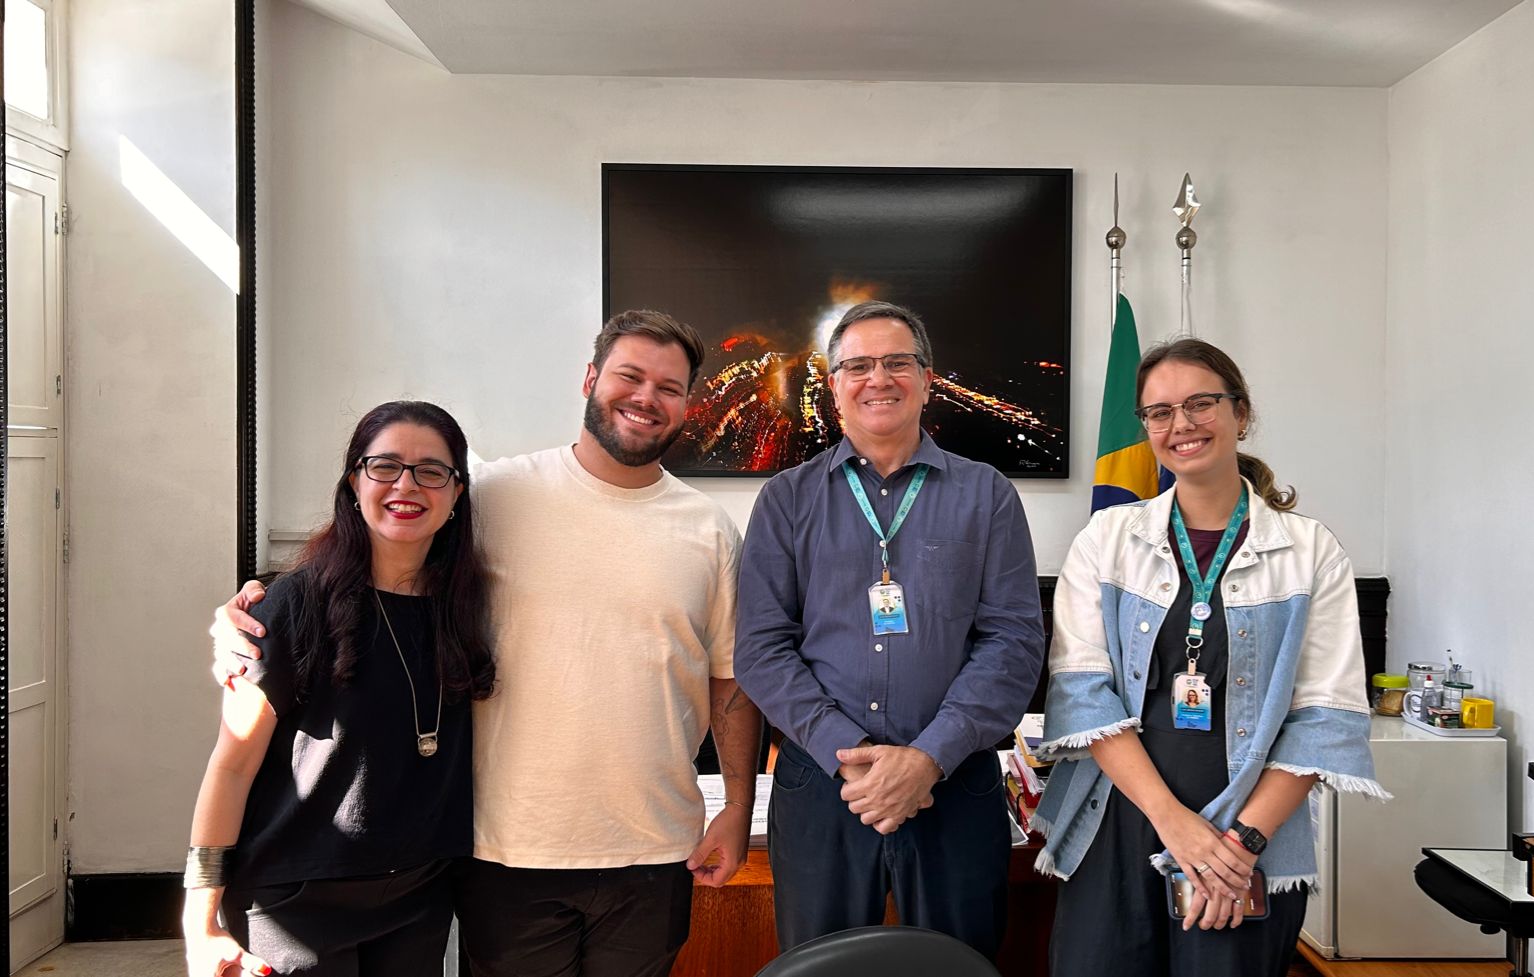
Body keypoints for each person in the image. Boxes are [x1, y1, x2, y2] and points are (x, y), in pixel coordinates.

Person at [212, 311, 760, 977]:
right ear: (591, 378)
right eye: (629, 375)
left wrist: (737, 807)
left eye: (669, 387)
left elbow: (729, 682)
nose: (646, 397)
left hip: (653, 849)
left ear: (686, 404)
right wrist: (263, 601)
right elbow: (385, 545)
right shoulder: (498, 493)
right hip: (505, 846)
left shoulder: (709, 530)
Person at [1031, 338, 1386, 977]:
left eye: (1201, 404)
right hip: (1117, 818)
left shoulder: (1310, 552)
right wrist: (1176, 826)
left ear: (1241, 413)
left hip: (1250, 836)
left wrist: (1236, 845)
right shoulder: (1108, 540)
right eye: (1159, 412)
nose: (1181, 425)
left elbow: (1325, 719)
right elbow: (1083, 692)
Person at [735, 300, 1045, 958]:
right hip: (824, 787)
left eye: (897, 362)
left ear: (928, 379)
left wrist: (928, 756)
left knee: (960, 964)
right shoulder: (787, 499)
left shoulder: (988, 496)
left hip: (954, 784)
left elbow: (1013, 646)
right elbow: (762, 649)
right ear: (835, 384)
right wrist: (852, 755)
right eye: (859, 365)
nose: (879, 377)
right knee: (820, 968)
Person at [183, 400, 496, 977]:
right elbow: (232, 766)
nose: (407, 484)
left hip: (419, 898)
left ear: (457, 494)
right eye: (384, 466)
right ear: (354, 481)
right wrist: (200, 923)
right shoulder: (294, 604)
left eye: (432, 471)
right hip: (293, 898)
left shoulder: (471, 609)